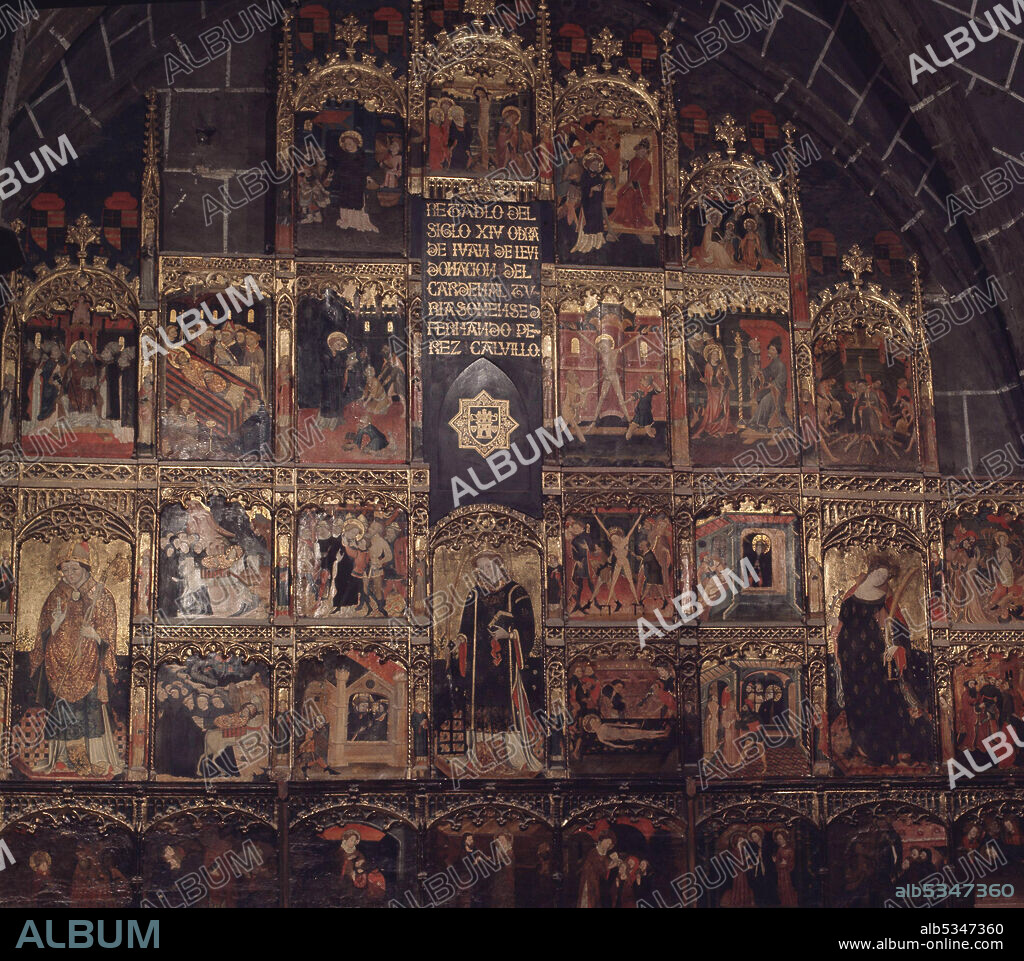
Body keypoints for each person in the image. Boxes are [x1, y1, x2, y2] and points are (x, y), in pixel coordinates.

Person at [29, 541, 122, 777]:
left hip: (90, 666)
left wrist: (95, 636)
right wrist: (56, 623)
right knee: (62, 712)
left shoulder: (101, 594)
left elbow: (110, 634)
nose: (69, 575)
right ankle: (62, 758)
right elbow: (43, 633)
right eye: (65, 569)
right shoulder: (56, 594)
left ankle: (97, 758)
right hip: (58, 666)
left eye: (74, 569)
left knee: (90, 712)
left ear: (86, 568)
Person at [444, 552, 542, 770]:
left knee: (506, 706)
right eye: (481, 569)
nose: (485, 572)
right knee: (478, 708)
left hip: (505, 663)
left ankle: (514, 758)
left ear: (499, 565)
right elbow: (466, 628)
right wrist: (459, 640)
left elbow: (528, 628)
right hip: (479, 665)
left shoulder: (516, 593)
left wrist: (508, 635)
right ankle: (480, 758)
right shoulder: (474, 594)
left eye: (489, 567)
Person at [833, 553, 933, 768]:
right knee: (856, 699)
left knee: (881, 697)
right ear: (872, 571)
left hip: (874, 655)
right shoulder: (851, 595)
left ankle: (885, 749)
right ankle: (861, 747)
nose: (881, 578)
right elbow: (839, 627)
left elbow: (892, 627)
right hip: (850, 655)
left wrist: (894, 646)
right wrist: (837, 652)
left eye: (885, 576)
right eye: (879, 573)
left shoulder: (883, 597)